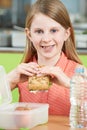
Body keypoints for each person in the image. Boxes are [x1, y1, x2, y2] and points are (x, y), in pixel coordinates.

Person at [7, 0, 86, 116]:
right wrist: (9, 80)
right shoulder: (22, 73)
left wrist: (70, 84)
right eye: (39, 31)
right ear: (29, 35)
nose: (46, 38)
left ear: (66, 33)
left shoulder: (79, 73)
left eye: (54, 30)